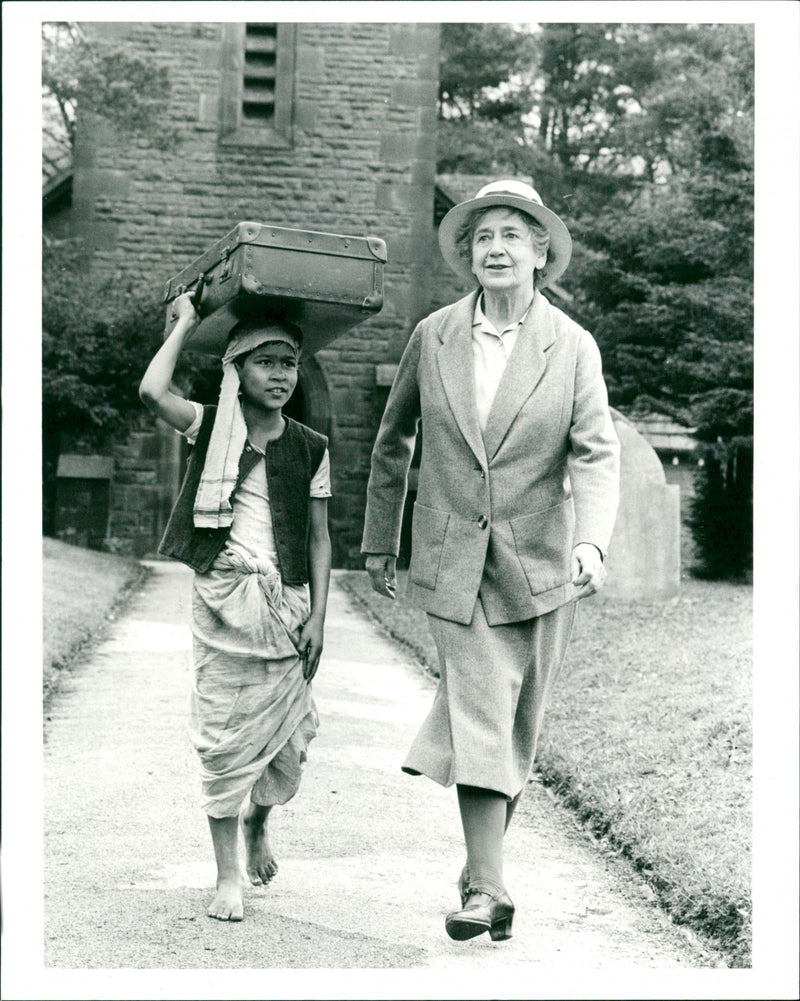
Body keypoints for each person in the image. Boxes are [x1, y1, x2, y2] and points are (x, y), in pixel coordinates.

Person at [361, 179, 620, 942]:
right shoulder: (434, 334)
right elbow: (392, 442)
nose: (496, 247)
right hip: (453, 559)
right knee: (479, 713)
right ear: (468, 254)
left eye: (513, 234)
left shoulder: (572, 347)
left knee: (517, 730)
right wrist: (382, 538)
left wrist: (591, 541)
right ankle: (491, 886)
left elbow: (596, 452)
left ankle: (482, 871)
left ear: (541, 252)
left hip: (541, 565)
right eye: (483, 236)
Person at [139, 294, 331, 922]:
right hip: (224, 599)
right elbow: (151, 393)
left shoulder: (311, 446)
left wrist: (320, 620)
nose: (280, 375)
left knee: (287, 743)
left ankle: (259, 821)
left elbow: (321, 539)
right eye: (266, 362)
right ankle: (227, 877)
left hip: (289, 606)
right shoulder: (210, 424)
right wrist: (187, 322)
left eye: (290, 364)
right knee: (224, 741)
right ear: (237, 369)